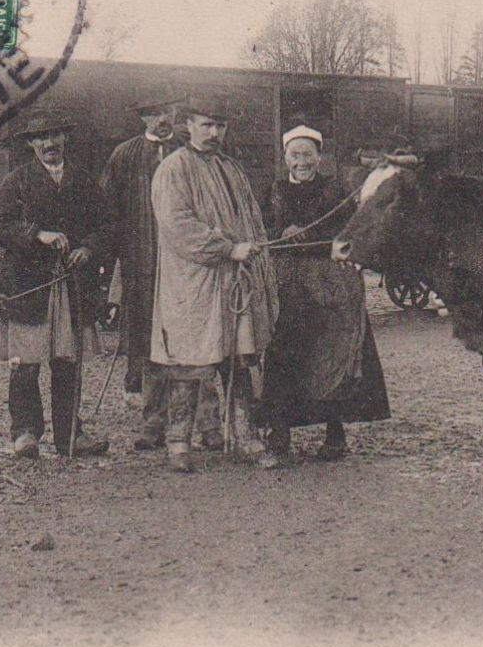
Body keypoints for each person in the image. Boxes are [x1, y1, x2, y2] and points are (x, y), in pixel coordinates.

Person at [149, 92, 280, 472]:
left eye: (220, 125)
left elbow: (252, 220)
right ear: (187, 125)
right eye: (206, 124)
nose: (214, 132)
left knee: (239, 358)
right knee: (188, 363)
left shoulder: (231, 169)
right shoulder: (173, 169)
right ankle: (178, 444)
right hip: (193, 283)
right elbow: (178, 227)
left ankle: (246, 437)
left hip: (236, 282)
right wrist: (227, 248)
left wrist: (254, 251)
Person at [99, 89, 221, 452]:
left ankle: (208, 422)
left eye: (167, 111)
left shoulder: (193, 155)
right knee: (149, 344)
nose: (161, 119)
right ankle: (153, 421)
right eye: (153, 114)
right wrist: (120, 258)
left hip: (188, 266)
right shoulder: (124, 155)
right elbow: (109, 211)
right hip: (143, 265)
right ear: (142, 119)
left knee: (199, 339)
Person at [259, 125, 391, 460]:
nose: (301, 162)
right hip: (286, 284)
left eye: (308, 154)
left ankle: (335, 434)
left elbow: (351, 227)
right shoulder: (273, 191)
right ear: (285, 157)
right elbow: (259, 228)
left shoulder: (337, 191)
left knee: (331, 356)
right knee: (282, 356)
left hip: (327, 285)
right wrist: (281, 232)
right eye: (295, 155)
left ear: (319, 157)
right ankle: (279, 433)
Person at [0, 110, 112, 459]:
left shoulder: (84, 181)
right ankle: (26, 432)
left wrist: (88, 247)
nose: (49, 144)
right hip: (28, 286)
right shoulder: (17, 182)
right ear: (31, 144)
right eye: (41, 138)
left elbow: (107, 225)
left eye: (55, 136)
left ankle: (70, 434)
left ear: (65, 140)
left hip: (70, 287)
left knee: (67, 362)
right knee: (26, 363)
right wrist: (37, 235)